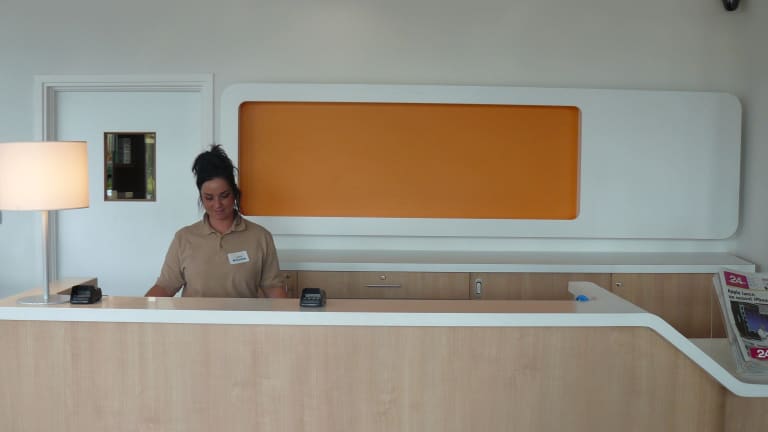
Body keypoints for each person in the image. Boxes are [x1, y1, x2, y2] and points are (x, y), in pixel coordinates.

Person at [145, 145, 286, 298]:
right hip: (195, 315)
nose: (217, 205)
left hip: (241, 315)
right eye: (209, 198)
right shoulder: (184, 238)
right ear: (201, 198)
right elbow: (165, 287)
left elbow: (273, 288)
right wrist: (139, 309)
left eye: (224, 196)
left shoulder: (260, 237)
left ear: (235, 194)